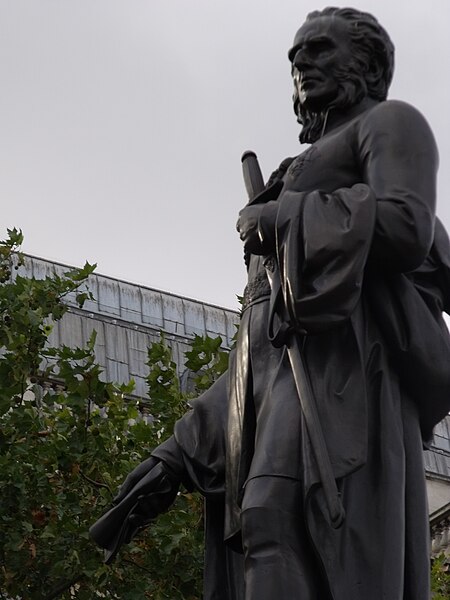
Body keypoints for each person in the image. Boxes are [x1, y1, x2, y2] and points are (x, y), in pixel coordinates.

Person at [91, 8, 450, 600]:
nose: (300, 62)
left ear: (367, 63)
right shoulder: (297, 168)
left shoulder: (391, 122)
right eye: (293, 56)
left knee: (272, 512)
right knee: (261, 522)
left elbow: (408, 225)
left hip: (348, 372)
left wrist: (283, 217)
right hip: (287, 371)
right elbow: (262, 341)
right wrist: (182, 448)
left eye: (317, 49)